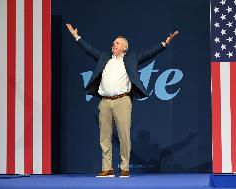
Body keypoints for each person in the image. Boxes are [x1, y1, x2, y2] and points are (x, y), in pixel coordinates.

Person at [66, 23, 179, 177]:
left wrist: (165, 43)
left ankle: (124, 167)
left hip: (123, 101)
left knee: (124, 136)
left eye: (117, 43)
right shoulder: (105, 58)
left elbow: (149, 54)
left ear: (125, 48)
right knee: (104, 137)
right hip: (105, 102)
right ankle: (107, 168)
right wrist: (76, 36)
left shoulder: (132, 58)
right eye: (113, 42)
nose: (114, 44)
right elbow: (88, 50)